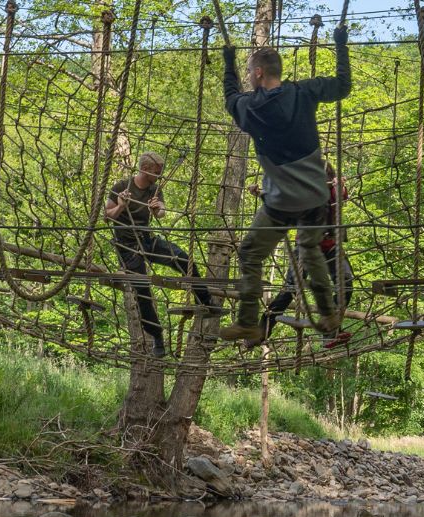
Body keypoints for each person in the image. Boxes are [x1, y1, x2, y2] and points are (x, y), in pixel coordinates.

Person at [214, 24, 352, 347]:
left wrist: (228, 63)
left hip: (279, 201)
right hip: (315, 196)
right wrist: (341, 46)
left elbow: (230, 97)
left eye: (250, 72)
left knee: (250, 252)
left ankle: (248, 322)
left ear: (259, 73)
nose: (249, 77)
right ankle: (329, 314)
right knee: (310, 249)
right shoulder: (304, 92)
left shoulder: (251, 108)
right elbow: (343, 86)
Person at [106, 152, 220, 358]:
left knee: (183, 258)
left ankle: (204, 299)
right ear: (146, 170)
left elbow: (161, 212)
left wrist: (157, 209)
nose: (160, 175)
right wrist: (121, 206)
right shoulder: (121, 186)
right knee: (143, 293)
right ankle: (157, 337)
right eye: (157, 172)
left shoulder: (154, 188)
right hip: (128, 246)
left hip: (148, 241)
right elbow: (107, 215)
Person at [256, 164, 354, 348]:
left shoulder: (333, 193)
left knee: (346, 284)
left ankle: (329, 332)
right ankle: (262, 329)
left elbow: (342, 194)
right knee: (291, 289)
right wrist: (261, 194)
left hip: (331, 247)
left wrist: (338, 184)